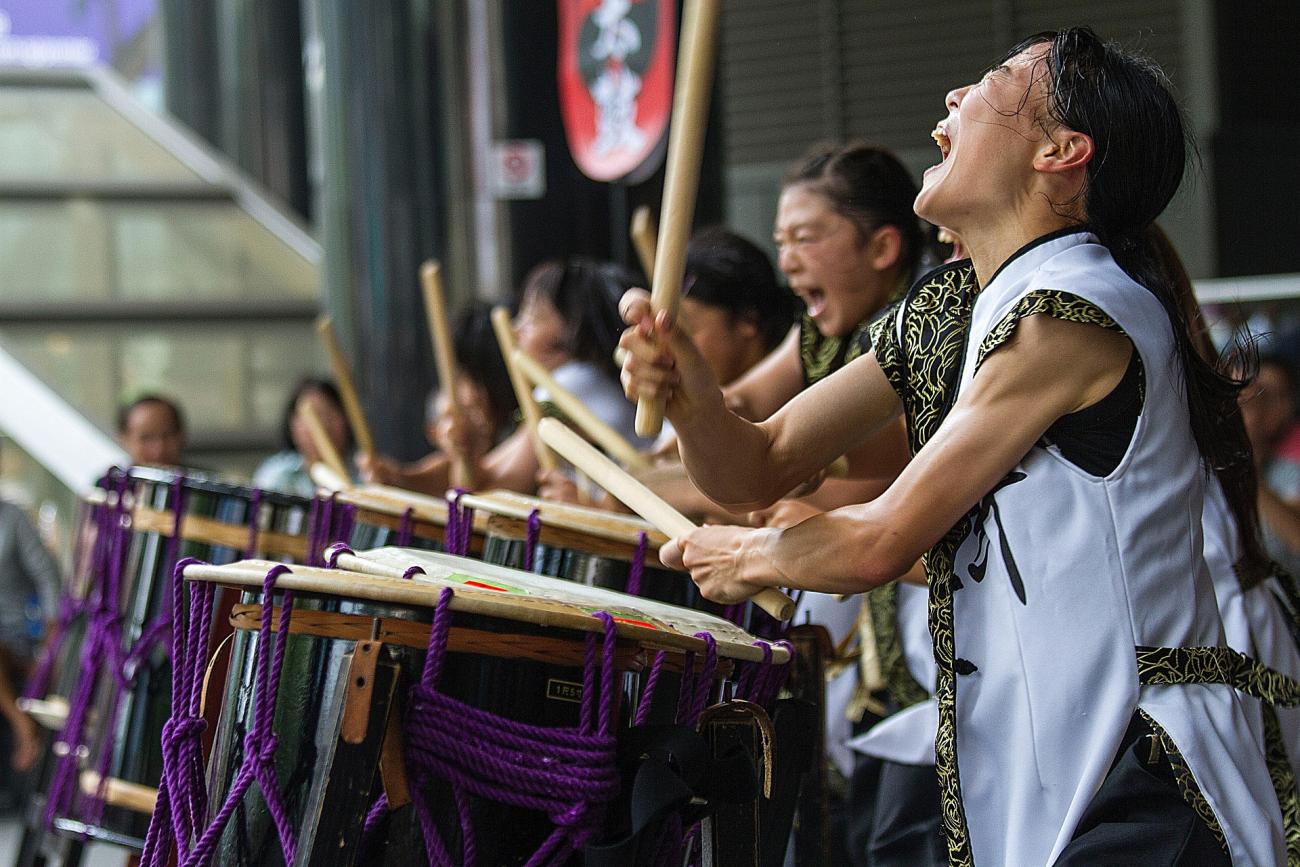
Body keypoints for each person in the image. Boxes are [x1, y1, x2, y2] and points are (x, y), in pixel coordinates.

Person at [621, 27, 1283, 864]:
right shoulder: (948, 311)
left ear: (1061, 150)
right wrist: (688, 395)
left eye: (994, 81)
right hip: (1054, 746)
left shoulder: (1071, 312)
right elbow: (759, 458)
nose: (952, 100)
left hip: (1144, 760)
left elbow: (880, 539)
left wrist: (750, 553)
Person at [438, 257, 646, 494]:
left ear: (572, 331)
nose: (516, 330)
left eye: (533, 318)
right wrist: (463, 451)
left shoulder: (571, 383)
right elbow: (483, 477)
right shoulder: (588, 380)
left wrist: (464, 453)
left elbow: (490, 488)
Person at [360, 303, 520, 495]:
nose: (464, 396)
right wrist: (398, 477)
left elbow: (479, 489)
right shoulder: (486, 433)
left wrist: (463, 457)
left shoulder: (526, 424)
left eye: (468, 378)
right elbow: (453, 471)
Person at [0, 495, 61, 775]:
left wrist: (51, 634)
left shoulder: (12, 517)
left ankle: (23, 728)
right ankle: (22, 723)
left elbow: (48, 576)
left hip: (21, 632)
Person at [252, 378, 354, 498]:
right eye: (314, 416)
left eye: (329, 415)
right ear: (292, 425)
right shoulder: (276, 475)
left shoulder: (364, 478)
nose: (323, 426)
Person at [117, 394, 186, 467]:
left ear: (181, 436)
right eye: (146, 438)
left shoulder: (198, 476)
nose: (159, 450)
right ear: (125, 439)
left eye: (167, 436)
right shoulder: (111, 477)